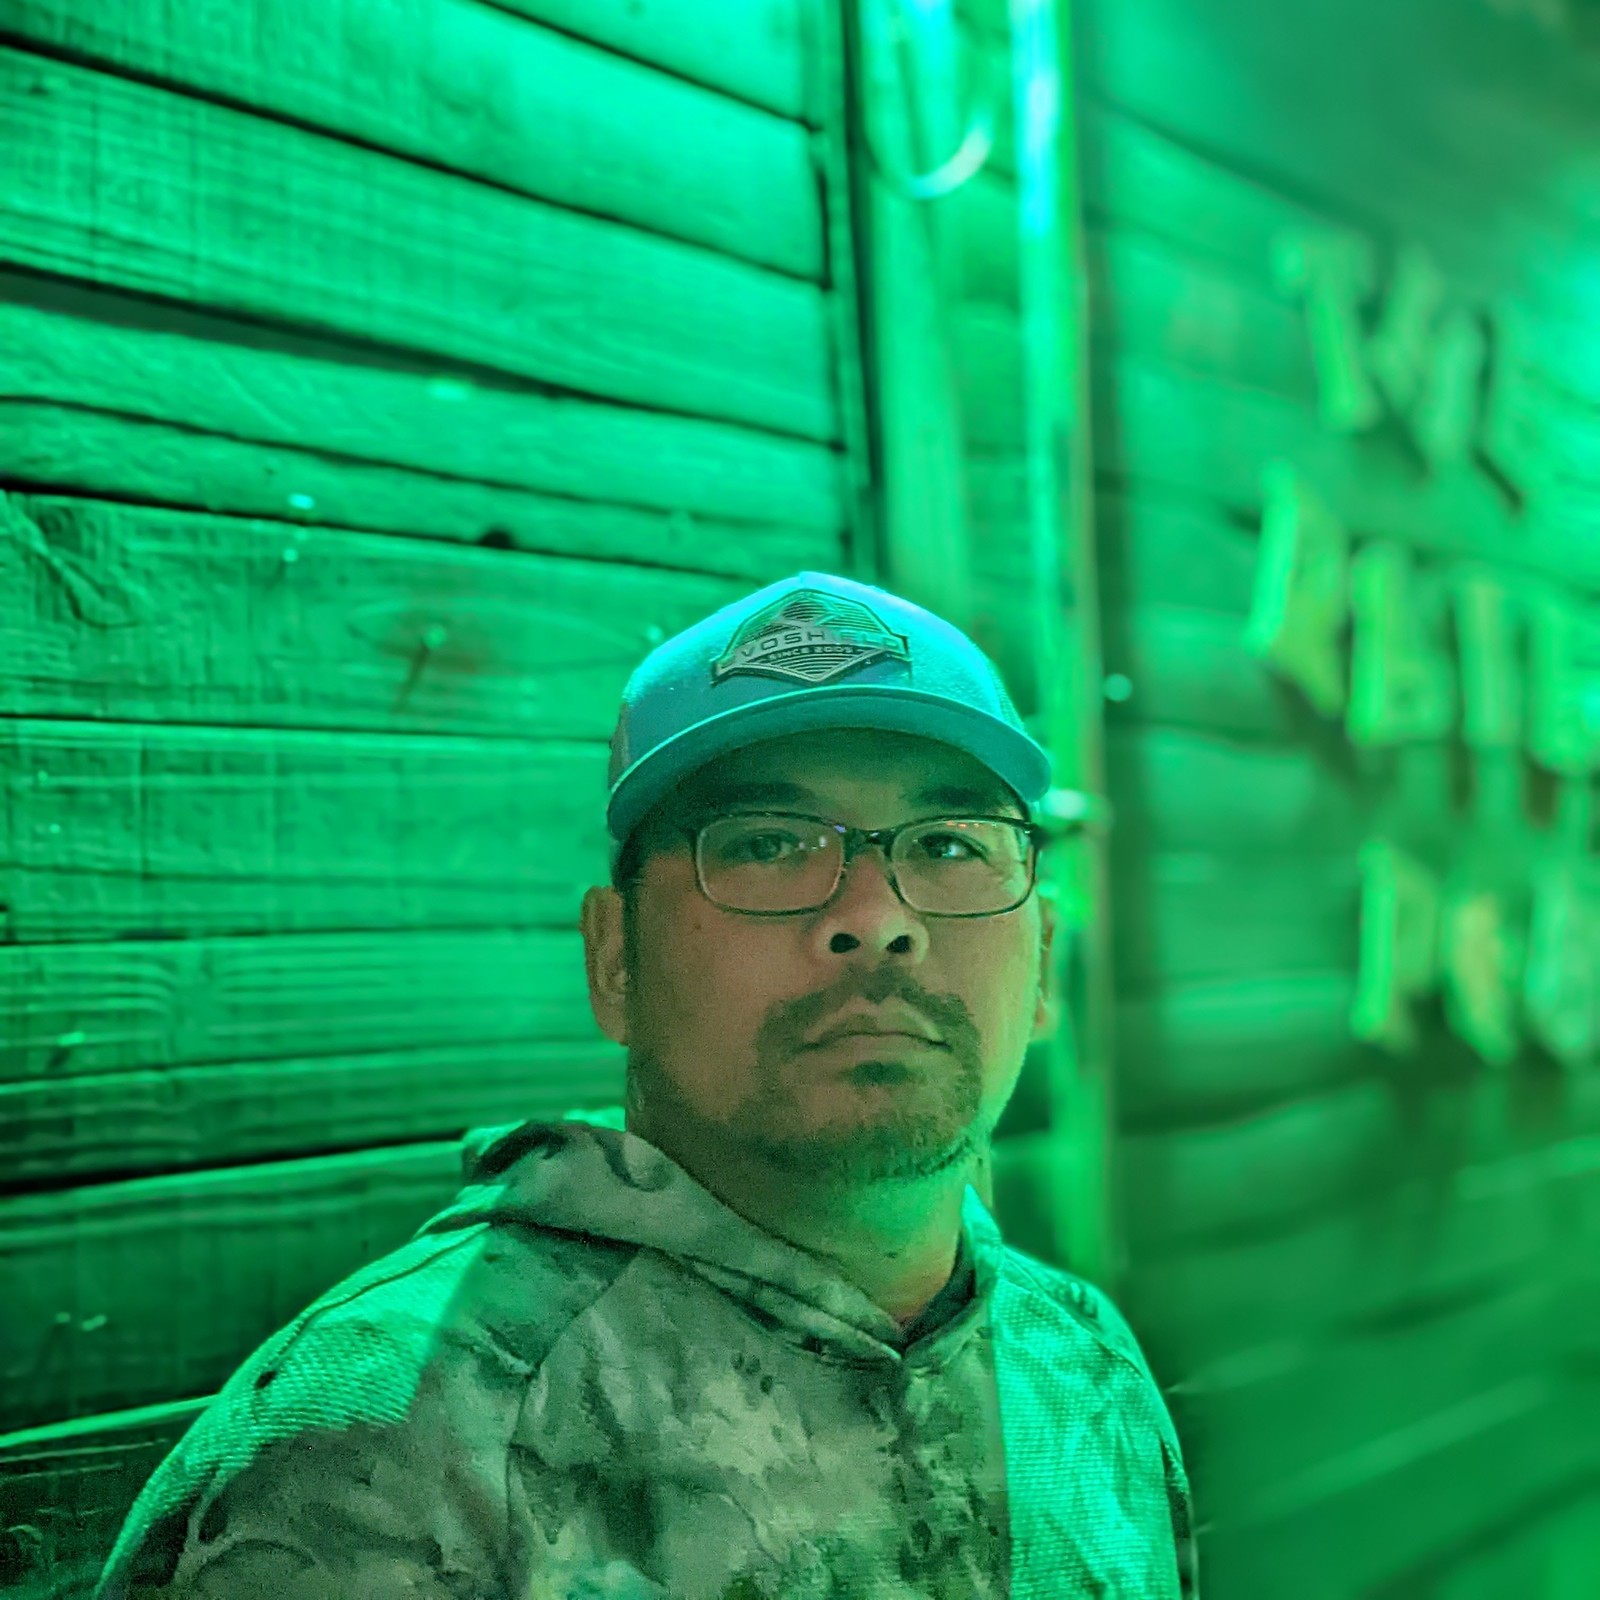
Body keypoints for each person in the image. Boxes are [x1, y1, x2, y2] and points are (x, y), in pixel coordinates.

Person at [92, 571, 1199, 1599]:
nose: (876, 917)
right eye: (767, 843)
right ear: (615, 959)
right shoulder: (401, 1434)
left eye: (952, 845)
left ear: (1042, 959)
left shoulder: (1079, 1363)